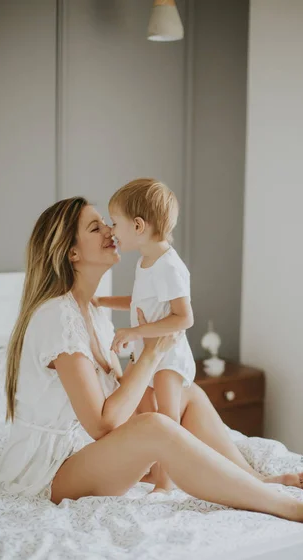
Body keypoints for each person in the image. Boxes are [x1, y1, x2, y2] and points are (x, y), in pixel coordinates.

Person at [0, 196, 303, 526]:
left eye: (107, 223)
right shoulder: (55, 317)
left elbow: (123, 396)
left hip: (90, 454)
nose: (111, 231)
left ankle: (252, 481)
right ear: (72, 253)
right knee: (156, 426)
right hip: (55, 471)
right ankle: (290, 508)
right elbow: (102, 423)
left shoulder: (95, 314)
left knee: (184, 390)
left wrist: (159, 364)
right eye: (95, 227)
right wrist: (151, 354)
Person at [96, 178, 195, 493]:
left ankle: (166, 483)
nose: (111, 231)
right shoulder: (146, 262)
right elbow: (140, 303)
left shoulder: (169, 266)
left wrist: (134, 331)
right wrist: (100, 302)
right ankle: (154, 471)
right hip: (149, 354)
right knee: (144, 412)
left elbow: (184, 317)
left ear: (138, 225)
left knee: (166, 419)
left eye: (115, 223)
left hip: (168, 356)